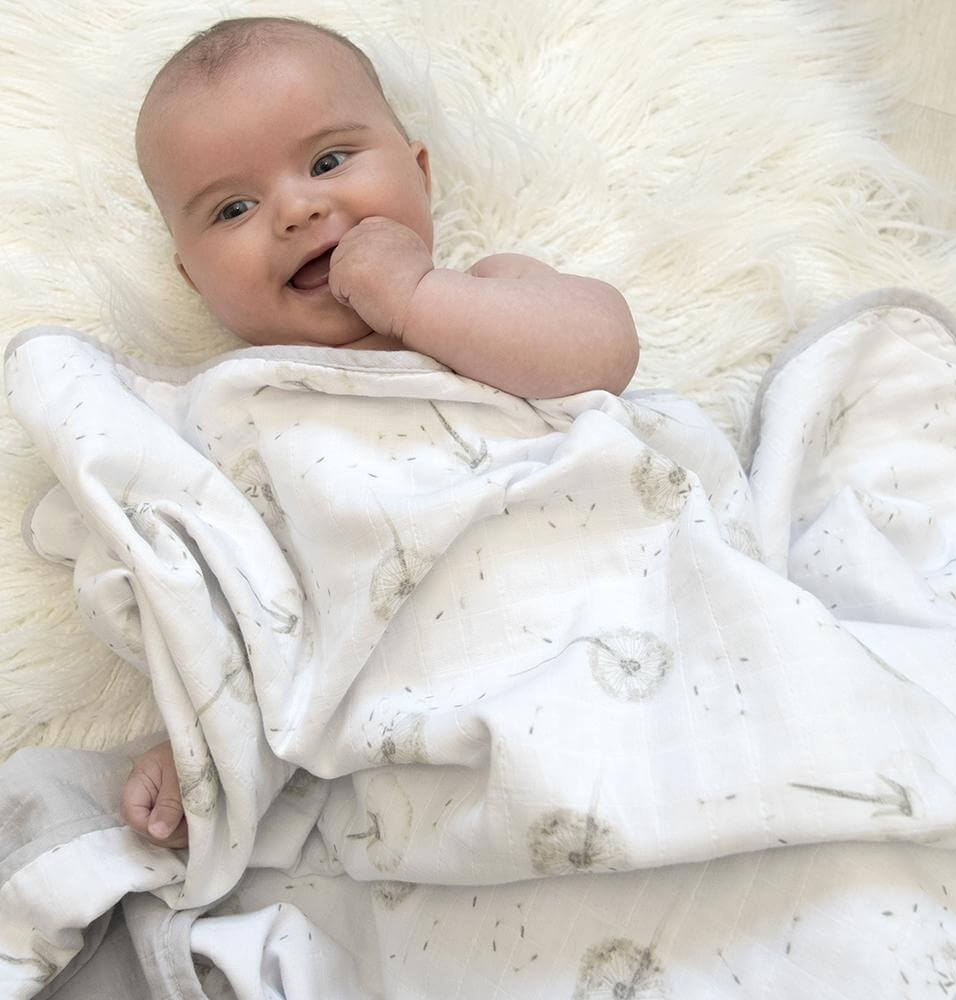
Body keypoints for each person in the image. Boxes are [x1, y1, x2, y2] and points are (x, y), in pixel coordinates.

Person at [121, 15, 640, 850]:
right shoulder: (231, 416)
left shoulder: (492, 295)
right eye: (233, 208)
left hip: (610, 620)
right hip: (422, 730)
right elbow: (239, 620)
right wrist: (199, 745)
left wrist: (418, 299)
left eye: (329, 161)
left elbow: (604, 352)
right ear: (192, 276)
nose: (297, 209)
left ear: (420, 176)